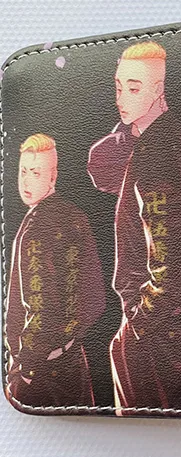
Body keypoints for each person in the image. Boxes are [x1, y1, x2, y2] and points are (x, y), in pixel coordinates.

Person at [87, 41, 181, 413]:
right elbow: (98, 167)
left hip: (156, 332)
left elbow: (169, 256)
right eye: (119, 87)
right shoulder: (155, 141)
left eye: (134, 89)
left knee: (152, 427)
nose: (122, 98)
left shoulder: (158, 153)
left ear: (158, 90)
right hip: (163, 325)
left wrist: (139, 321)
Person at [5, 134, 105, 408]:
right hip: (73, 360)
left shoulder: (36, 229)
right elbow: (96, 301)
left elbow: (41, 309)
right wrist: (69, 338)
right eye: (23, 171)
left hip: (39, 373)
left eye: (36, 173)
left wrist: (26, 369)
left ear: (53, 176)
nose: (26, 181)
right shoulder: (75, 217)